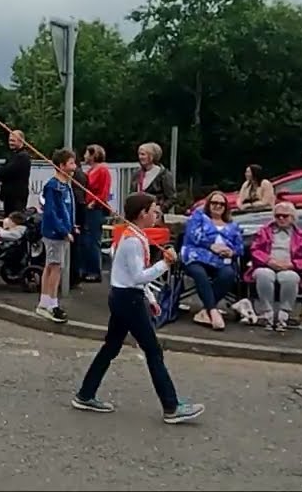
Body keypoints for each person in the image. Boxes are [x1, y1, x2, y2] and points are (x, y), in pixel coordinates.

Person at [72, 192, 205, 424]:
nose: (157, 214)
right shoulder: (132, 241)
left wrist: (151, 299)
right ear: (143, 213)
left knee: (111, 347)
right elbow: (137, 277)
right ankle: (171, 407)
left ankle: (85, 394)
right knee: (153, 351)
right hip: (128, 299)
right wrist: (164, 264)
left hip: (124, 296)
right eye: (154, 210)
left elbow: (130, 277)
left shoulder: (134, 235)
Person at [244, 201, 302, 329]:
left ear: (292, 217)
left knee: (290, 277)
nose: (281, 218)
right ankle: (267, 313)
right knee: (264, 275)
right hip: (266, 265)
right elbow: (255, 250)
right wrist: (268, 261)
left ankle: (284, 314)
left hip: (290, 267)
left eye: (285, 216)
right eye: (278, 216)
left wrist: (292, 264)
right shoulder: (264, 231)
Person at [181, 190, 243, 330]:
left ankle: (206, 311)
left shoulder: (233, 226)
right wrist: (210, 246)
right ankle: (213, 311)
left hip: (221, 260)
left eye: (221, 204)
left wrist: (231, 252)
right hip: (196, 256)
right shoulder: (199, 217)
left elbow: (240, 248)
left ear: (226, 207)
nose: (218, 206)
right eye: (214, 203)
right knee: (199, 273)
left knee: (228, 274)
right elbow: (192, 236)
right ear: (208, 204)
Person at [36, 148, 76, 323]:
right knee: (55, 267)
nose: (75, 166)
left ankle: (46, 301)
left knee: (52, 265)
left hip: (59, 231)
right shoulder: (54, 186)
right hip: (54, 233)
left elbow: (66, 210)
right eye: (71, 163)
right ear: (61, 166)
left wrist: (71, 226)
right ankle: (51, 304)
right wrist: (63, 231)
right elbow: (51, 212)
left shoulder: (65, 185)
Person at [81, 145, 112, 283]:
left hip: (95, 208)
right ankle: (86, 268)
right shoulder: (92, 170)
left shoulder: (102, 170)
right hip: (88, 207)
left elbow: (103, 191)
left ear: (93, 155)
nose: (84, 156)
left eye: (87, 153)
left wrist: (94, 202)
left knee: (93, 239)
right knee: (87, 239)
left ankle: (94, 271)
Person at [0, 130, 31, 215]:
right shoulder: (13, 155)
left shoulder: (22, 157)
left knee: (15, 220)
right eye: (9, 140)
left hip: (17, 196)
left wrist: (1, 170)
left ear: (21, 141)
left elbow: (6, 171)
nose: (10, 143)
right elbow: (1, 174)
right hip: (9, 196)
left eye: (13, 140)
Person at [134, 142, 175, 210]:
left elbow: (171, 198)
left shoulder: (164, 175)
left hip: (155, 215)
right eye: (139, 154)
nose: (140, 157)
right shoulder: (136, 174)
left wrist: (160, 209)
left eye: (143, 154)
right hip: (139, 214)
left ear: (152, 156)